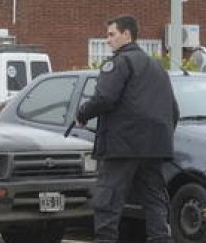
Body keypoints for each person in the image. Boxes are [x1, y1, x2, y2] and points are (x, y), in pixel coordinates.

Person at [76, 15, 179, 243]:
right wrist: (161, 138)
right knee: (154, 199)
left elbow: (104, 98)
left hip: (122, 146)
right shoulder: (156, 66)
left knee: (108, 198)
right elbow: (174, 110)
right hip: (154, 148)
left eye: (112, 34)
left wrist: (82, 114)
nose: (107, 40)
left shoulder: (119, 63)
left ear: (127, 35)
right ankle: (160, 239)